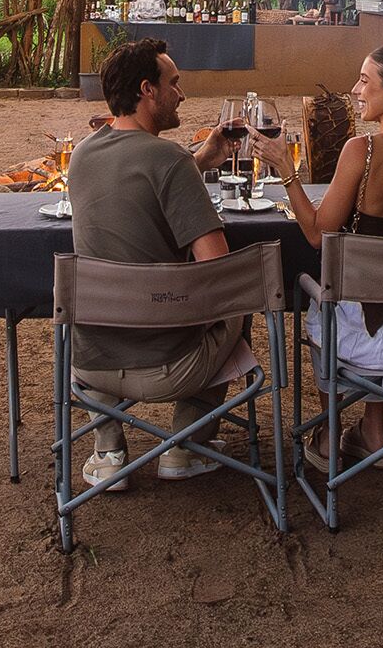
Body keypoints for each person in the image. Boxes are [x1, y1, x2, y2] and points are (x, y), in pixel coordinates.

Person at [65, 36, 253, 492]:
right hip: (169, 366)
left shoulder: (83, 154)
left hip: (89, 362)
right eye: (175, 83)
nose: (182, 94)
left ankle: (108, 452)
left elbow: (138, 179)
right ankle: (185, 447)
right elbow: (217, 268)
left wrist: (201, 160)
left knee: (105, 311)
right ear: (148, 90)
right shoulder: (169, 160)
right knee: (237, 304)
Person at [257, 44, 383, 455]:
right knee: (380, 292)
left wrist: (287, 172)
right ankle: (373, 431)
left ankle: (330, 432)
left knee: (323, 298)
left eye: (364, 80)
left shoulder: (361, 150)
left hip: (358, 333)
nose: (354, 89)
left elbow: (317, 234)